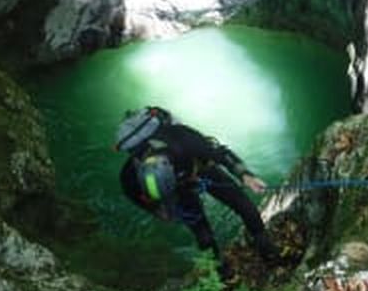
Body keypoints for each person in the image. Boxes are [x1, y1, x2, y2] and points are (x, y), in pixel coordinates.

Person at [116, 106, 281, 269]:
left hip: (199, 168)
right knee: (203, 234)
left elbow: (220, 153)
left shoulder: (182, 139)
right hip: (179, 190)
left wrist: (245, 175)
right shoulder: (130, 177)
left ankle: (267, 251)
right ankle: (219, 275)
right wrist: (158, 210)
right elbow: (136, 197)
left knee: (244, 205)